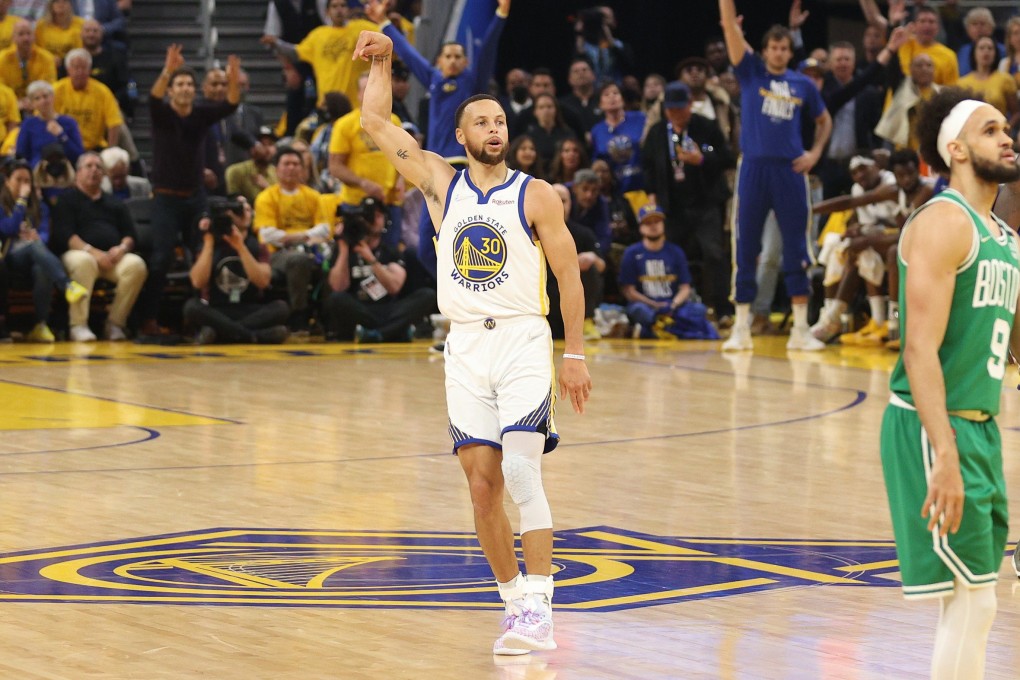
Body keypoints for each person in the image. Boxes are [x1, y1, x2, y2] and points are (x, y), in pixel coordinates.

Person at [354, 29, 591, 655]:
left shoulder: (535, 194)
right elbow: (374, 120)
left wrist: (574, 353)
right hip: (463, 347)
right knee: (481, 484)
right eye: (481, 122)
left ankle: (540, 601)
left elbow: (568, 274)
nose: (494, 129)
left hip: (521, 340)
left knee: (519, 465)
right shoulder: (440, 183)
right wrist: (383, 57)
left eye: (499, 121)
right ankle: (514, 601)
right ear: (460, 137)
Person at [879, 88, 1019, 679]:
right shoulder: (943, 222)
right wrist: (944, 453)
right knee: (973, 600)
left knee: (975, 598)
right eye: (991, 130)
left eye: (1007, 128)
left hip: (980, 430)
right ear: (956, 149)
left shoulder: (1006, 241)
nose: (1007, 137)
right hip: (930, 428)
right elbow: (918, 349)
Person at [717, 0, 832, 352]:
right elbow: (729, 29)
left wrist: (813, 154)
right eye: (774, 47)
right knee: (746, 246)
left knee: (798, 248)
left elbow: (824, 121)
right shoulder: (751, 71)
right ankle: (742, 328)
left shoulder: (803, 84)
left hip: (789, 171)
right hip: (753, 168)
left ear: (789, 50)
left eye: (784, 48)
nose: (779, 53)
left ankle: (800, 331)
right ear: (764, 50)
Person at [141, 44, 240, 337]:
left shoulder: (200, 114)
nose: (184, 88)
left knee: (204, 253)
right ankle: (147, 318)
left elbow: (231, 104)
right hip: (165, 198)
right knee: (160, 258)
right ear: (172, 90)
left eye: (188, 84)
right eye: (179, 84)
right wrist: (168, 70)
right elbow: (152, 96)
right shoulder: (162, 114)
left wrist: (232, 79)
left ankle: (203, 317)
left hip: (196, 198)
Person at [642, 80, 734, 322]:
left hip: (705, 203)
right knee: (672, 256)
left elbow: (728, 158)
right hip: (672, 206)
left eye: (680, 108)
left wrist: (701, 160)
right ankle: (675, 308)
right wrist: (652, 197)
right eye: (671, 109)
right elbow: (648, 168)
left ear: (690, 105)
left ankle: (723, 308)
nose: (676, 114)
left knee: (714, 253)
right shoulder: (657, 132)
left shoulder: (708, 127)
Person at [51, 151, 147, 341]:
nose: (94, 171)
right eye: (89, 166)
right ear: (78, 172)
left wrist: (121, 249)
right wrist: (93, 253)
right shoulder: (67, 199)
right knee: (84, 262)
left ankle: (115, 323)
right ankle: (78, 325)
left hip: (112, 258)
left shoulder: (114, 202)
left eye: (98, 167)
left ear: (104, 175)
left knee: (136, 265)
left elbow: (130, 234)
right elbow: (66, 235)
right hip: (77, 254)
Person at [322, 195, 435, 341]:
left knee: (427, 295)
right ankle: (393, 330)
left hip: (389, 308)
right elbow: (338, 287)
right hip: (361, 309)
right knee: (336, 299)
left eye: (378, 216)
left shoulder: (391, 251)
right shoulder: (345, 250)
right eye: (368, 216)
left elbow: (395, 287)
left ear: (385, 220)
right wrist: (343, 248)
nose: (374, 220)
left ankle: (377, 334)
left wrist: (371, 260)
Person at [0, 157, 86, 341]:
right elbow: (8, 228)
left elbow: (46, 235)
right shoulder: (2, 204)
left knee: (42, 269)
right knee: (33, 247)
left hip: (35, 258)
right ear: (7, 181)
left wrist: (38, 237)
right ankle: (67, 285)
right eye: (19, 180)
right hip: (9, 258)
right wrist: (21, 201)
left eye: (27, 181)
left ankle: (40, 324)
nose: (24, 185)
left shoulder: (40, 207)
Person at [184, 194, 289, 345]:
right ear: (227, 213)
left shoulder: (257, 246)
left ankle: (221, 335)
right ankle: (256, 336)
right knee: (191, 307)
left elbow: (263, 282)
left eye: (247, 209)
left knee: (281, 308)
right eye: (238, 210)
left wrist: (240, 247)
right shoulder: (210, 242)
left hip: (249, 308)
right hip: (218, 309)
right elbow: (197, 282)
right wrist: (208, 242)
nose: (244, 214)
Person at [253, 145, 328, 331]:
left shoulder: (313, 196)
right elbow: (266, 234)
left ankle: (328, 316)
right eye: (286, 164)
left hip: (312, 250)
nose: (291, 168)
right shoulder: (266, 197)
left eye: (296, 164)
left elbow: (325, 229)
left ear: (303, 169)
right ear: (276, 169)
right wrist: (306, 236)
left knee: (335, 258)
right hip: (276, 255)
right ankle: (298, 316)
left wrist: (291, 237)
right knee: (297, 259)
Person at [53, 48, 124, 152]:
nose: (80, 72)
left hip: (94, 148)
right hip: (63, 147)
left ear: (90, 70)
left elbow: (114, 122)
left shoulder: (102, 91)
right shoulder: (55, 90)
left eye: (84, 68)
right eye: (76, 67)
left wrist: (111, 151)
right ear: (68, 70)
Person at [16, 79, 83, 167]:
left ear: (52, 97)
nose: (43, 101)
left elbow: (78, 155)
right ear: (32, 103)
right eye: (37, 98)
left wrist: (61, 135)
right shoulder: (28, 124)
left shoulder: (69, 122)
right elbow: (21, 154)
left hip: (65, 169)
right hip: (38, 171)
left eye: (45, 96)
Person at [0, 19, 56, 103]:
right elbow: (2, 89)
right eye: (21, 34)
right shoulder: (2, 58)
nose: (26, 38)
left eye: (29, 34)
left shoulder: (46, 58)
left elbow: (49, 87)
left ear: (34, 36)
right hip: (11, 103)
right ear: (13, 38)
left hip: (39, 103)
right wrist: (16, 103)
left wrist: (32, 102)